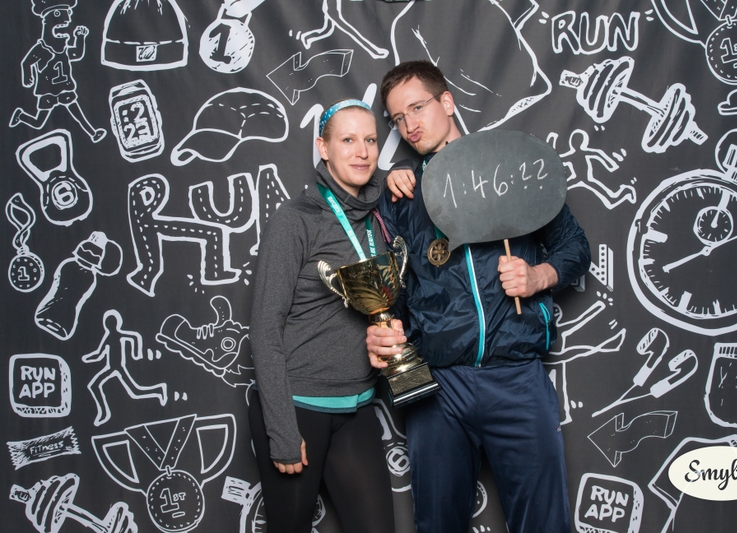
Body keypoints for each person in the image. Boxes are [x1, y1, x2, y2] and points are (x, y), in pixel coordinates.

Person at [366, 60, 591, 533]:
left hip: (517, 377)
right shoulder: (401, 196)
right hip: (438, 387)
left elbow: (575, 247)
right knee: (437, 524)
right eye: (398, 118)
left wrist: (538, 276)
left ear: (447, 101)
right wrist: (384, 328)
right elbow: (396, 290)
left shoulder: (512, 167)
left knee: (544, 524)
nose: (409, 125)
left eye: (417, 108)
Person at [249, 99, 395, 533]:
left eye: (370, 140)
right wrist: (282, 430)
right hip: (298, 407)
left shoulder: (379, 220)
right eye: (347, 140)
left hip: (357, 406)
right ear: (323, 148)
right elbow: (265, 328)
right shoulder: (296, 219)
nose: (362, 152)